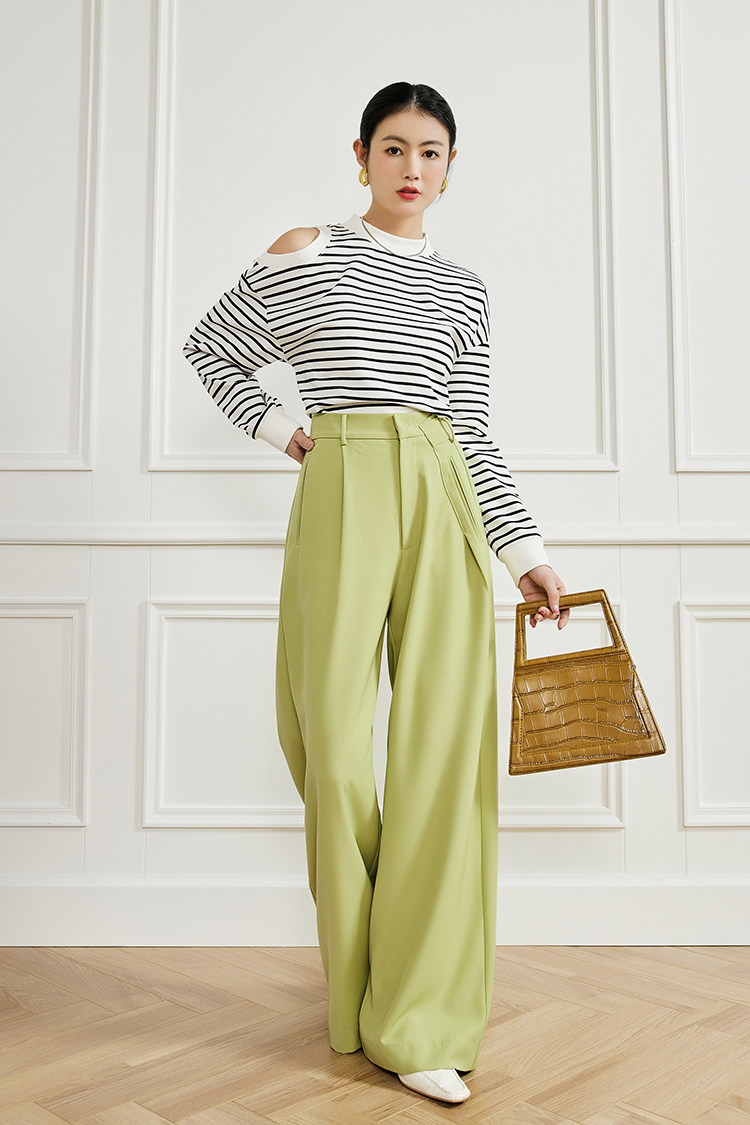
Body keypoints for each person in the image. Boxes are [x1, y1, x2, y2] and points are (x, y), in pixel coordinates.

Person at [183, 81, 569, 1106]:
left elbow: (470, 427)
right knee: (331, 744)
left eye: (430, 151)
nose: (411, 167)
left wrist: (522, 548)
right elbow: (211, 349)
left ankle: (422, 1017)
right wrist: (281, 430)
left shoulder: (464, 289)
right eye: (393, 147)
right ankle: (360, 989)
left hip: (443, 491)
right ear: (360, 155)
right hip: (343, 484)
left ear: (450, 167)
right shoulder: (306, 252)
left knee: (443, 749)